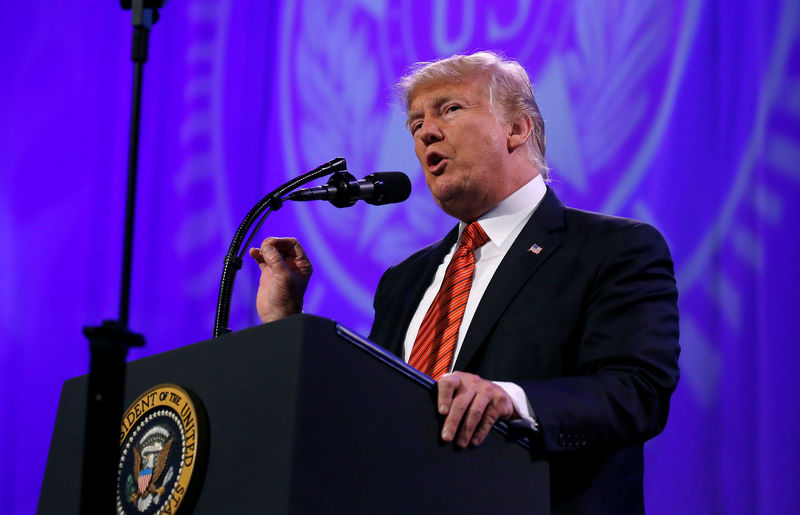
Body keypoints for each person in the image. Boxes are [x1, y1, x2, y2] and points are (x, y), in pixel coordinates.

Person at [250, 51, 679, 513]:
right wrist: (284, 323)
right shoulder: (404, 281)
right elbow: (365, 415)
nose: (427, 132)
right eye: (415, 126)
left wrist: (511, 400)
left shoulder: (611, 248)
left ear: (517, 128)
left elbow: (637, 391)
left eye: (450, 109)